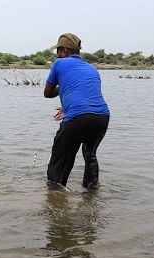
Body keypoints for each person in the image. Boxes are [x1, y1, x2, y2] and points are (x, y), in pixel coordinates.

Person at [44, 33, 110, 189]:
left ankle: (55, 198)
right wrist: (67, 105)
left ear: (65, 51)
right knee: (90, 155)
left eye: (58, 50)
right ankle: (91, 195)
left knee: (59, 160)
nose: (57, 54)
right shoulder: (92, 68)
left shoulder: (59, 63)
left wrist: (63, 88)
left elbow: (47, 93)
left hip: (78, 117)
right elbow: (87, 94)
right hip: (102, 117)